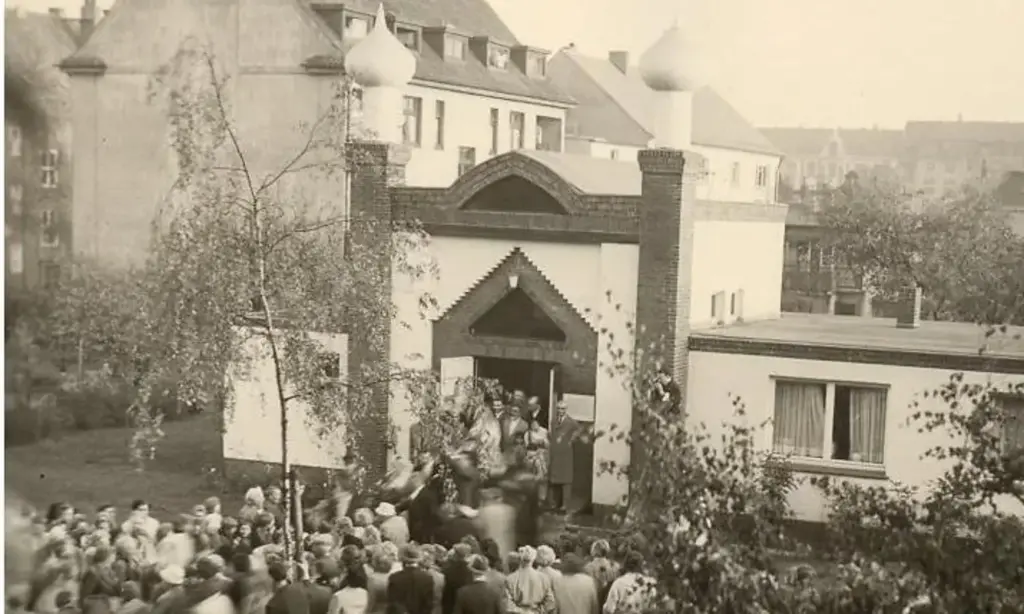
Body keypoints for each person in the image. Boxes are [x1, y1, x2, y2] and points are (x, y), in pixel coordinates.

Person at [502, 546, 554, 614]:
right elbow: (550, 602)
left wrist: (521, 612)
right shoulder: (543, 578)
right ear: (534, 559)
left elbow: (508, 604)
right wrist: (538, 611)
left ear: (519, 559)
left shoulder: (510, 579)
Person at [547, 400, 578, 513]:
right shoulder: (554, 421)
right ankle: (554, 504)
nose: (560, 411)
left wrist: (571, 440)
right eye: (559, 408)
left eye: (563, 409)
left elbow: (578, 431)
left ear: (566, 409)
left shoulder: (571, 422)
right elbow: (551, 434)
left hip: (565, 454)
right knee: (554, 480)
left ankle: (565, 505)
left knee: (565, 481)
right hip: (555, 453)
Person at [385, 544, 435, 614]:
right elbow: (429, 605)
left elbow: (393, 604)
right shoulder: (428, 578)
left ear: (401, 559)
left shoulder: (394, 578)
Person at [474, 490, 515, 562]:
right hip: (505, 545)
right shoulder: (509, 510)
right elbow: (511, 531)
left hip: (489, 546)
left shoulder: (483, 511)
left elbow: (479, 530)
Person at [441, 544, 474, 614]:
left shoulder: (447, 570)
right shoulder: (472, 572)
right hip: (468, 608)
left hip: (450, 607)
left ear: (455, 554)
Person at [523, 419, 550, 506]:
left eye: (536, 424)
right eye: (532, 424)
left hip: (542, 457)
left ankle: (541, 498)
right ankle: (531, 498)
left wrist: (542, 443)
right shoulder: (528, 434)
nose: (534, 426)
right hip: (531, 456)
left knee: (542, 478)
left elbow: (548, 445)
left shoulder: (545, 432)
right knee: (531, 478)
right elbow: (527, 446)